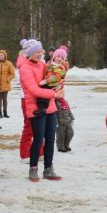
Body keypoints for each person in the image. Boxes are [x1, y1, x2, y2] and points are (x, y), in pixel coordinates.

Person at [19, 39, 64, 182]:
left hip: (50, 106)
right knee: (38, 139)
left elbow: (51, 79)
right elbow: (33, 90)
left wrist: (59, 86)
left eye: (41, 51)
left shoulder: (43, 64)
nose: (40, 54)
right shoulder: (24, 68)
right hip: (35, 108)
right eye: (38, 51)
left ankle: (48, 168)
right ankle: (33, 168)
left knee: (50, 139)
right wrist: (54, 94)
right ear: (31, 53)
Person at [0, 50, 15, 119]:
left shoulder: (9, 63)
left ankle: (5, 112)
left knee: (5, 99)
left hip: (6, 84)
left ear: (5, 56)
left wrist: (8, 79)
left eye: (2, 55)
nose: (1, 56)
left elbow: (12, 74)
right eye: (0, 55)